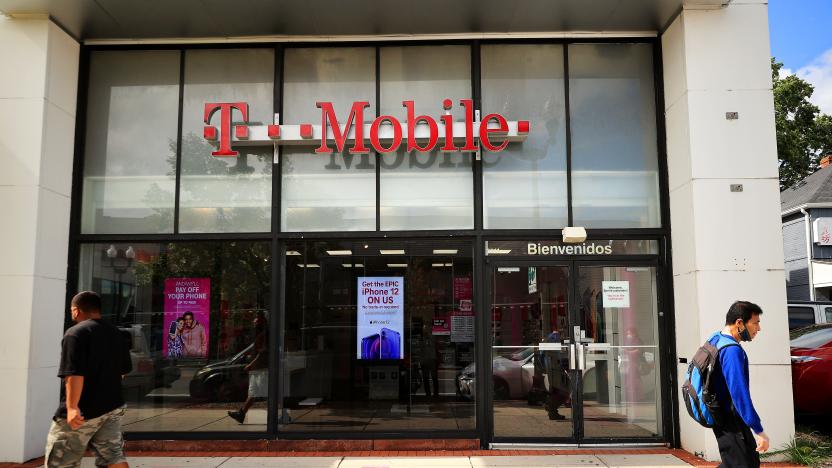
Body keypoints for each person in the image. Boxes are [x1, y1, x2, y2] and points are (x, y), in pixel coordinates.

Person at [44, 291, 132, 468]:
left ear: (76, 311)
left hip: (84, 410)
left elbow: (74, 373)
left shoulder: (75, 333)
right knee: (113, 457)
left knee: (61, 463)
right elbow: (124, 371)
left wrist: (71, 407)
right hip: (112, 406)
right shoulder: (116, 333)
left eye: (71, 311)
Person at [709, 301, 770, 468]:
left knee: (742, 461)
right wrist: (759, 430)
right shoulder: (731, 350)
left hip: (723, 415)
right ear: (739, 323)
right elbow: (739, 394)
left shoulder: (716, 338)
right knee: (743, 464)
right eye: (756, 322)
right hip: (730, 418)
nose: (758, 328)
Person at [228, 312, 268, 423]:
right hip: (257, 369)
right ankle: (242, 414)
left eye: (256, 321)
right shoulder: (259, 336)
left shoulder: (264, 335)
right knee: (253, 393)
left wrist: (251, 364)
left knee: (265, 392)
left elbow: (262, 353)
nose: (254, 323)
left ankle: (277, 414)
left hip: (261, 369)